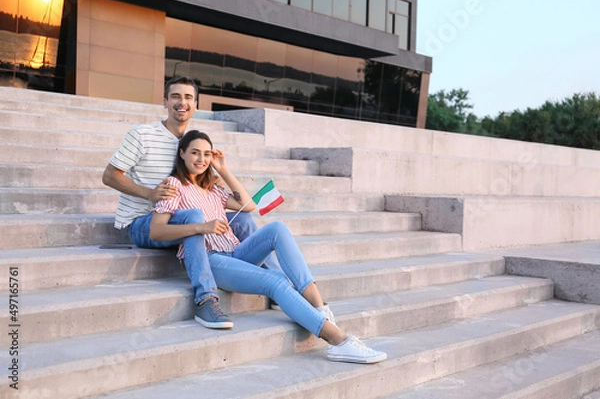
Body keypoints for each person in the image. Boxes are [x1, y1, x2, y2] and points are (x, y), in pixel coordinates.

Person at [149, 130, 387, 364]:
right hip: (212, 260)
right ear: (182, 153)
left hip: (235, 252)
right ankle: (339, 342)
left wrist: (223, 169)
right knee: (276, 280)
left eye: (207, 154)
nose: (201, 159)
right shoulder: (173, 185)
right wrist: (202, 227)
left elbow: (249, 205)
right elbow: (157, 230)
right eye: (195, 153)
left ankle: (319, 307)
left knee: (277, 229)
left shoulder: (211, 188)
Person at [102, 76, 276, 329]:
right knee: (195, 217)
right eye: (175, 96)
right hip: (144, 222)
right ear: (164, 101)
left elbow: (241, 202)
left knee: (244, 220)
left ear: (195, 104)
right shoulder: (142, 134)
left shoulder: (194, 144)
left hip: (184, 216)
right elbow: (109, 176)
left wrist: (207, 180)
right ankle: (205, 300)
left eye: (187, 98)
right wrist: (149, 194)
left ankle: (274, 281)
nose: (181, 102)